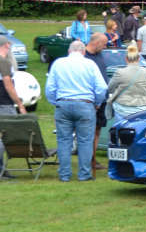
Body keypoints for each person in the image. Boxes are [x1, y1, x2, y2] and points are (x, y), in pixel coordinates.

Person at [45, 40, 107, 182]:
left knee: (63, 140)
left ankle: (64, 174)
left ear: (69, 51)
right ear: (84, 51)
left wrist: (56, 102)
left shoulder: (58, 63)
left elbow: (50, 88)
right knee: (85, 141)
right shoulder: (90, 64)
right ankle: (84, 174)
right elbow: (102, 87)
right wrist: (97, 103)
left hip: (63, 104)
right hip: (85, 104)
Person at [83, 34, 109, 173]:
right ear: (97, 42)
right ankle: (87, 160)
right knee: (87, 131)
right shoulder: (83, 56)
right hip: (90, 100)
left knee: (97, 129)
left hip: (102, 99)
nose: (105, 47)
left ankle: (92, 159)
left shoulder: (99, 55)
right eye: (104, 44)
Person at [106, 42, 146, 123]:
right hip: (142, 107)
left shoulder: (120, 72)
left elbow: (110, 89)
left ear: (126, 58)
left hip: (123, 107)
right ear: (138, 58)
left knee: (120, 131)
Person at [0, 36, 27, 168]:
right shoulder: (4, 63)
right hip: (4, 103)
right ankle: (1, 169)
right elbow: (8, 86)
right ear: (6, 45)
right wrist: (20, 104)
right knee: (6, 136)